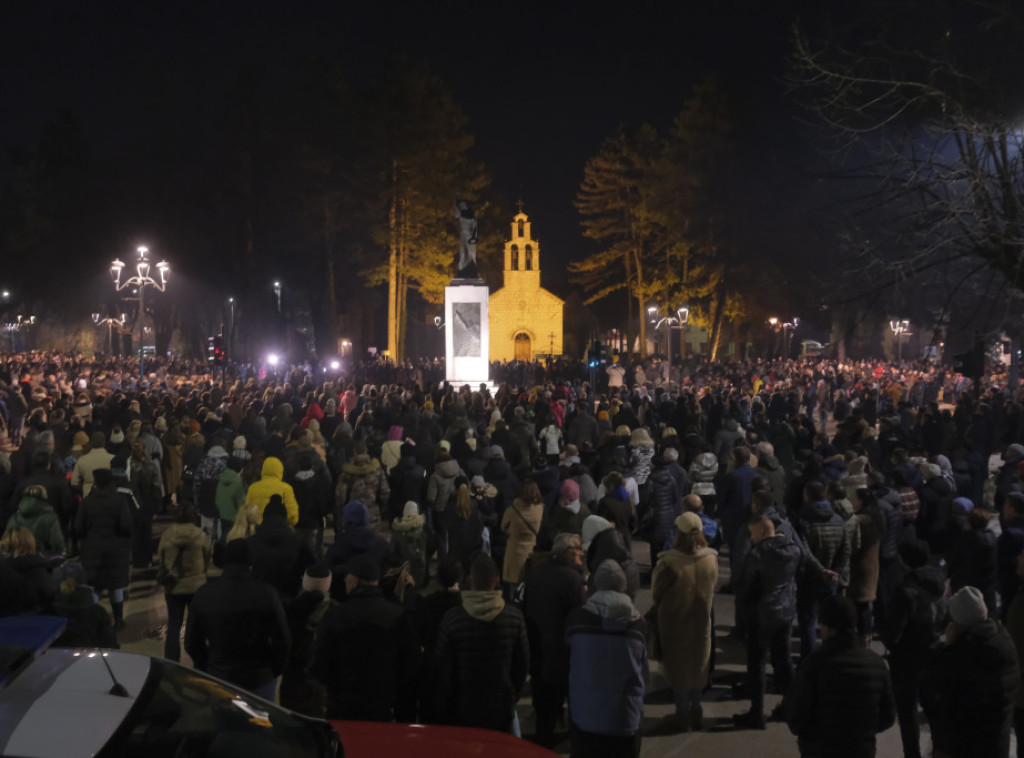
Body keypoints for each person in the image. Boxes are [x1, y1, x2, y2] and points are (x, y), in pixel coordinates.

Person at [311, 553, 419, 721]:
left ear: (354, 580)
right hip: (383, 709)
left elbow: (319, 666)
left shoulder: (335, 616)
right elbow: (410, 665)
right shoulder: (398, 616)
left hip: (343, 709)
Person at [787, 595, 896, 757]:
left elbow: (797, 718)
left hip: (820, 749)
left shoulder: (815, 663)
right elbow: (888, 716)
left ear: (828, 628)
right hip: (861, 749)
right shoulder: (877, 664)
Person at [185, 539, 291, 702]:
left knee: (224, 724)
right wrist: (273, 670)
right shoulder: (267, 594)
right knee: (260, 724)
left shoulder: (204, 594)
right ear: (250, 563)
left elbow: (192, 642)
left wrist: (207, 667)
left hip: (220, 676)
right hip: (259, 677)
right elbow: (283, 639)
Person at [435, 553, 529, 734]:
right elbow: (522, 664)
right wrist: (512, 694)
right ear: (497, 580)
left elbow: (443, 665)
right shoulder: (514, 617)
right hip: (500, 700)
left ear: (470, 580)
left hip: (463, 702)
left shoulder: (453, 618)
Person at [922, 585, 1020, 758]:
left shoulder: (962, 653)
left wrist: (947, 646)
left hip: (964, 746)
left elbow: (941, 699)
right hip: (996, 744)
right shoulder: (1004, 641)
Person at [565, 559, 647, 758]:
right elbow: (643, 673)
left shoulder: (576, 621)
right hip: (625, 719)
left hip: (585, 717)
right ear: (624, 587)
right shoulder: (639, 626)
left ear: (595, 586)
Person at [650, 511, 719, 731]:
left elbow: (656, 593)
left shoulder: (668, 562)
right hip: (701, 622)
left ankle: (682, 715)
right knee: (698, 666)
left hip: (674, 623)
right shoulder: (711, 559)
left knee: (677, 668)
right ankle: (696, 712)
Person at [733, 515, 802, 729]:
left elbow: (745, 586)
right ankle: (790, 707)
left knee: (757, 664)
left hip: (762, 614)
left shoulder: (758, 554)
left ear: (762, 532)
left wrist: (743, 609)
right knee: (783, 660)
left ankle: (757, 712)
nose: (751, 538)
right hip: (786, 610)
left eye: (753, 534)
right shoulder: (793, 550)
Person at [881, 540, 945, 758]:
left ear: (905, 561)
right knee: (933, 710)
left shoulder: (906, 590)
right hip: (934, 653)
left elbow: (893, 633)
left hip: (907, 659)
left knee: (908, 714)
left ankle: (912, 755)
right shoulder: (939, 582)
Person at [522, 532, 586, 747]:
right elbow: (578, 618)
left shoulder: (535, 574)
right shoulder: (573, 578)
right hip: (564, 653)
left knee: (544, 711)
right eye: (577, 548)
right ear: (567, 552)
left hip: (539, 650)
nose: (581, 553)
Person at [73, 468, 133, 630]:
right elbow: (126, 525)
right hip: (116, 551)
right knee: (115, 586)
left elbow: (78, 528)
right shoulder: (119, 501)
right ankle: (119, 619)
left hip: (92, 550)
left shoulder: (87, 502)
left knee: (95, 586)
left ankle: (93, 621)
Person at [156, 503, 211, 662]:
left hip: (173, 586)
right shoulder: (199, 534)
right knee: (197, 626)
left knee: (174, 625)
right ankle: (200, 661)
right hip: (196, 586)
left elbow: (161, 558)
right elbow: (207, 556)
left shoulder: (167, 534)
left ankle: (172, 661)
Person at [249, 495, 317, 599]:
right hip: (290, 596)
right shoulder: (298, 541)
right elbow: (311, 567)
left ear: (265, 517)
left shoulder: (252, 541)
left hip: (259, 596)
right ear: (285, 518)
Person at [500, 480, 544, 586]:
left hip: (514, 551)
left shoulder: (512, 511)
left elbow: (503, 528)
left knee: (513, 584)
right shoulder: (540, 508)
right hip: (531, 551)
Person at [6, 484, 64, 554]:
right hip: (42, 559)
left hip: (17, 558)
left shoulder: (15, 517)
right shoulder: (50, 517)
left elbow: (7, 542)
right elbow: (57, 544)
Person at [246, 456, 299, 526]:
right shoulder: (286, 488)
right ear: (280, 470)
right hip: (279, 529)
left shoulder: (253, 488)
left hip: (257, 530)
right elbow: (292, 515)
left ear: (263, 469)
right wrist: (288, 525)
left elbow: (247, 512)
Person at [453, 195, 479, 278]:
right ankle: (461, 269)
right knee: (462, 252)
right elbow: (455, 207)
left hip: (470, 235)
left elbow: (475, 227)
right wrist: (454, 198)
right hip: (463, 235)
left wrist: (474, 237)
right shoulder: (460, 214)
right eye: (461, 205)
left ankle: (471, 268)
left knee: (471, 253)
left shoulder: (472, 216)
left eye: (463, 205)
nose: (462, 206)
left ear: (466, 206)